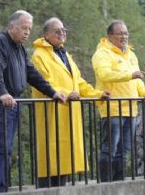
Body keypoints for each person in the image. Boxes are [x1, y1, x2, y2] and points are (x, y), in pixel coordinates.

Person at [0, 10, 66, 193]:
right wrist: (2, 92)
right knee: (2, 147)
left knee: (7, 148)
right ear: (11, 27)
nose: (27, 32)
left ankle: (0, 188)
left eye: (29, 29)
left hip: (12, 102)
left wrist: (52, 93)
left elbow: (32, 74)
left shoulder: (19, 48)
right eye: (23, 28)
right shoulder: (0, 42)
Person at [31, 17, 111, 188]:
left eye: (63, 30)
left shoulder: (65, 54)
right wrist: (68, 94)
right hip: (52, 112)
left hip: (67, 112)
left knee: (64, 160)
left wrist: (97, 94)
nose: (61, 33)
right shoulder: (39, 55)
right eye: (57, 31)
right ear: (46, 34)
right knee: (51, 159)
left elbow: (79, 82)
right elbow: (45, 82)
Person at [92, 20, 145, 182]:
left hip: (131, 109)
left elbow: (137, 81)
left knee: (124, 150)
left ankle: (119, 183)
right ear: (110, 36)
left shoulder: (131, 54)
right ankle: (106, 184)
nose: (124, 36)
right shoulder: (102, 54)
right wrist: (130, 75)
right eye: (120, 33)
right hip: (112, 108)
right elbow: (104, 75)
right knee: (110, 149)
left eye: (126, 33)